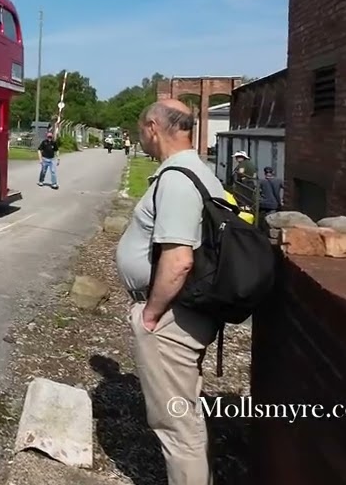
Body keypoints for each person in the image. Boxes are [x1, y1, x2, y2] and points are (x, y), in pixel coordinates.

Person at [115, 99, 223, 484]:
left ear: (153, 127)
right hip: (188, 312)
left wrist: (150, 315)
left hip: (172, 317)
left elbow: (178, 260)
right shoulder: (201, 173)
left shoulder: (178, 179)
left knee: (177, 427)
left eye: (142, 129)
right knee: (185, 415)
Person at [257, 166, 284, 233]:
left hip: (263, 204)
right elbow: (286, 189)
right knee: (271, 220)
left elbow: (256, 192)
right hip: (273, 204)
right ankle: (270, 232)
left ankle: (261, 231)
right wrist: (282, 200)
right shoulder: (279, 181)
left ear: (265, 173)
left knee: (261, 219)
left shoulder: (261, 181)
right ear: (273, 173)